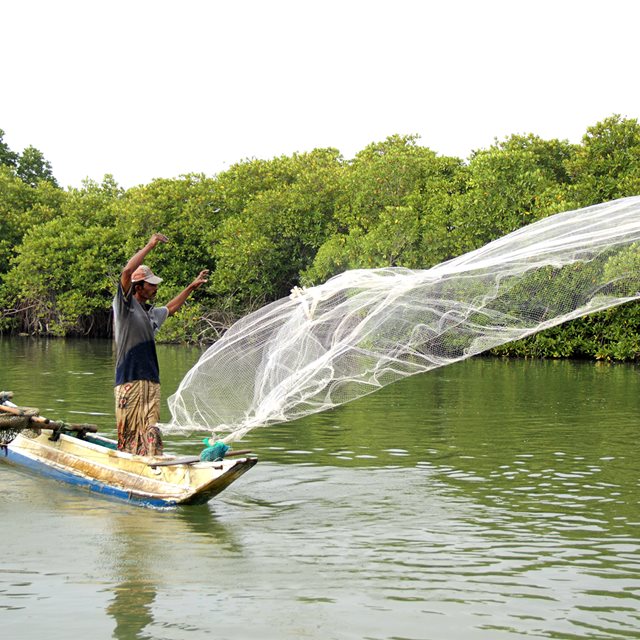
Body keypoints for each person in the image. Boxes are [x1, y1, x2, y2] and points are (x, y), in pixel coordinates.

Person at [113, 232, 209, 456]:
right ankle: (128, 463)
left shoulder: (151, 314)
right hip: (129, 381)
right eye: (151, 284)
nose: (155, 288)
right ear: (138, 287)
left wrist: (191, 287)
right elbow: (126, 272)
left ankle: (153, 462)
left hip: (152, 382)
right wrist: (150, 245)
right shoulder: (125, 307)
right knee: (128, 431)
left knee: (151, 430)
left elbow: (171, 308)